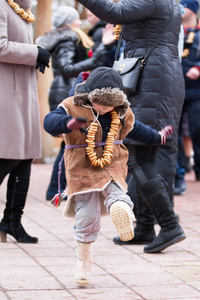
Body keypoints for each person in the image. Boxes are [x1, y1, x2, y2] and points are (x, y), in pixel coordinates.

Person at [43, 66, 174, 284]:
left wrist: (156, 137)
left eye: (110, 105)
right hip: (81, 168)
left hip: (112, 161)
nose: (105, 109)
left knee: (116, 190)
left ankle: (122, 209)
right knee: (86, 217)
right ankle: (83, 265)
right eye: (101, 104)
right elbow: (49, 121)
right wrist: (67, 124)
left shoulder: (121, 110)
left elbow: (136, 128)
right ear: (89, 96)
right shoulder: (70, 105)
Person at [75, 0, 186, 253]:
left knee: (137, 155)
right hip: (159, 78)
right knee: (146, 152)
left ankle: (169, 225)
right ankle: (146, 226)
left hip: (152, 82)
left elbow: (115, 13)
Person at [35, 6, 106, 200]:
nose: (79, 21)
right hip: (65, 89)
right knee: (69, 142)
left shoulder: (69, 36)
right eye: (75, 18)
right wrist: (99, 54)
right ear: (68, 21)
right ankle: (55, 189)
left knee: (70, 142)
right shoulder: (67, 38)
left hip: (63, 88)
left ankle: (58, 188)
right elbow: (66, 68)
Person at [0, 0, 50, 243]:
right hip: (5, 94)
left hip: (22, 93)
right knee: (10, 155)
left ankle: (11, 221)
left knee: (25, 157)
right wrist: (34, 52)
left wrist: (35, 53)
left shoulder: (22, 9)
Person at [174, 0, 200, 195]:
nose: (180, 10)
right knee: (174, 132)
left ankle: (198, 166)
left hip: (196, 90)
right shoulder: (174, 30)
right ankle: (179, 171)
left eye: (184, 6)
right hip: (176, 88)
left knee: (196, 127)